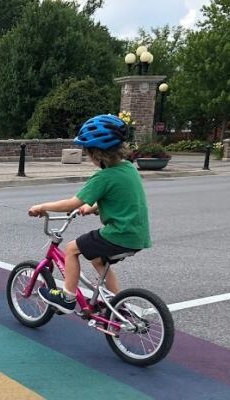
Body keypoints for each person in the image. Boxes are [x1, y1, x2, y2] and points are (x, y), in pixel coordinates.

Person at [28, 114, 151, 314]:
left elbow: (73, 202)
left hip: (119, 235)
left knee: (71, 249)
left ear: (97, 153)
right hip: (137, 235)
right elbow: (122, 199)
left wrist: (42, 207)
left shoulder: (103, 177)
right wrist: (94, 208)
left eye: (87, 152)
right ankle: (119, 304)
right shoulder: (128, 168)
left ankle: (67, 297)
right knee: (97, 259)